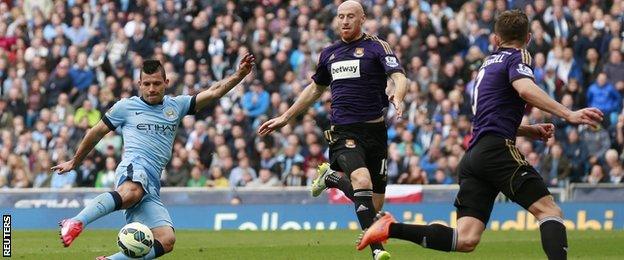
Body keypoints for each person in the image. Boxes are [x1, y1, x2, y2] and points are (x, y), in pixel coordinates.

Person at [357, 10, 603, 260]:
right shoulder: (519, 55)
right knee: (549, 211)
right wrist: (568, 113)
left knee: (465, 239)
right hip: (497, 150)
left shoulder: (487, 64)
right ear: (528, 38)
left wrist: (528, 131)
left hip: (475, 156)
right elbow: (526, 89)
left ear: (495, 39)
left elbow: (487, 116)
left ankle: (389, 227)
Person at [53, 54, 255, 259]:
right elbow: (95, 132)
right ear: (139, 84)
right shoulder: (125, 107)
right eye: (147, 84)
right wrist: (75, 161)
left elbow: (213, 92)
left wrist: (239, 75)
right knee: (132, 191)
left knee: (166, 240)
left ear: (166, 83)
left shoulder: (177, 105)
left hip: (152, 181)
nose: (151, 89)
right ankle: (77, 222)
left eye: (157, 83)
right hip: (134, 166)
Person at [258, 1, 408, 259]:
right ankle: (377, 250)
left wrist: (400, 96)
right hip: (343, 131)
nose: (345, 21)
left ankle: (331, 178)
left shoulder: (377, 47)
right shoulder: (329, 53)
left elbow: (399, 76)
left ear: (362, 18)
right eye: (341, 17)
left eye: (351, 16)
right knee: (362, 181)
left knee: (375, 204)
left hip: (375, 132)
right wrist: (285, 117)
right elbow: (315, 89)